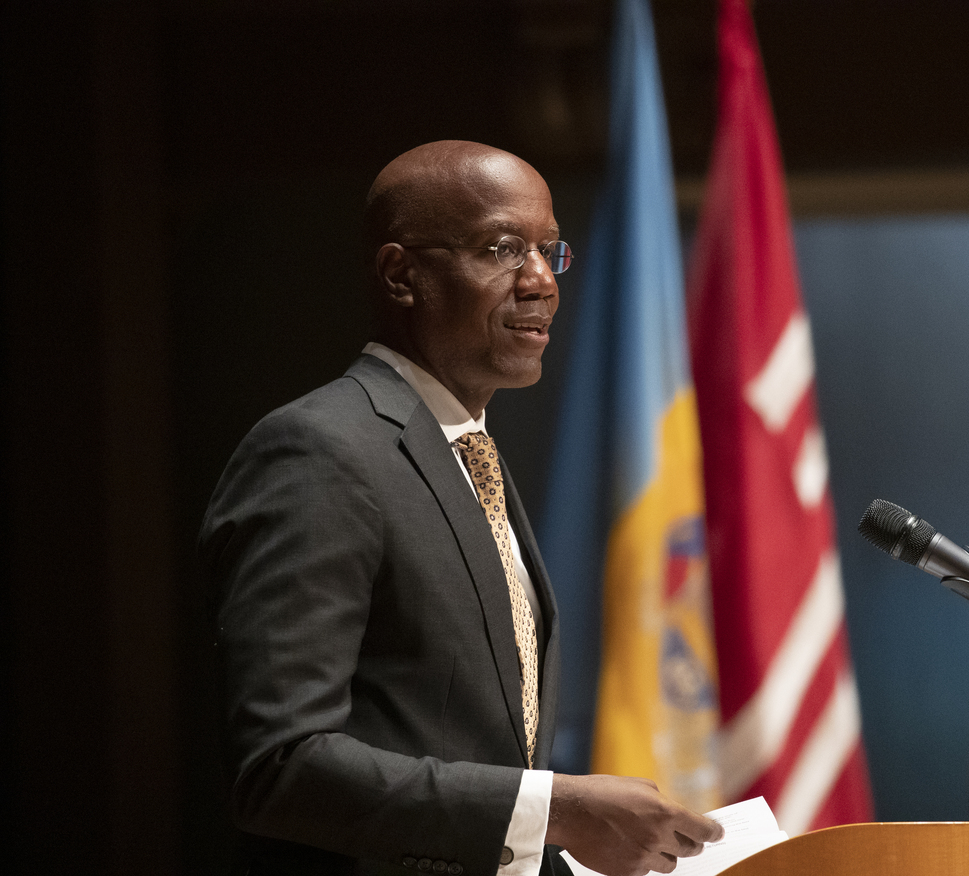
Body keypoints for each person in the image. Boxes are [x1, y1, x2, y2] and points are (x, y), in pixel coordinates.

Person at [199, 141, 723, 876]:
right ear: (401, 274)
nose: (540, 281)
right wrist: (559, 811)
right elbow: (280, 767)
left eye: (549, 249)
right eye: (502, 248)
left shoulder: (469, 452)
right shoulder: (319, 452)